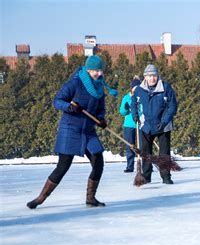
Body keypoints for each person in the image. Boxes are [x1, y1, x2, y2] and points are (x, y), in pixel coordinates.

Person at [27, 55, 109, 209]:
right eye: (96, 71)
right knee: (63, 166)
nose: (99, 74)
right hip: (70, 129)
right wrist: (70, 107)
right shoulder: (75, 82)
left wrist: (101, 119)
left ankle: (90, 199)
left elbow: (100, 109)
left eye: (101, 70)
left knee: (98, 162)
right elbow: (57, 100)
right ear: (88, 69)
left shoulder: (99, 88)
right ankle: (40, 198)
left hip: (88, 131)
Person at [131, 64, 178, 184]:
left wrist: (164, 121)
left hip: (163, 126)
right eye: (149, 76)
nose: (152, 78)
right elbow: (134, 104)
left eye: (154, 76)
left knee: (164, 153)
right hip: (146, 126)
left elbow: (173, 106)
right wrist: (135, 115)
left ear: (157, 76)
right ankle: (146, 176)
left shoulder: (166, 87)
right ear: (145, 77)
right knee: (146, 153)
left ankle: (166, 176)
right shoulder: (139, 90)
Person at [120, 77, 141, 173]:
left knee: (142, 146)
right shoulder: (126, 97)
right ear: (131, 88)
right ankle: (130, 166)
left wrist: (138, 116)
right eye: (134, 88)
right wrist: (126, 108)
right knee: (130, 146)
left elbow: (143, 110)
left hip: (140, 124)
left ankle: (146, 165)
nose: (136, 90)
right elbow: (122, 112)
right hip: (129, 125)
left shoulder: (142, 97)